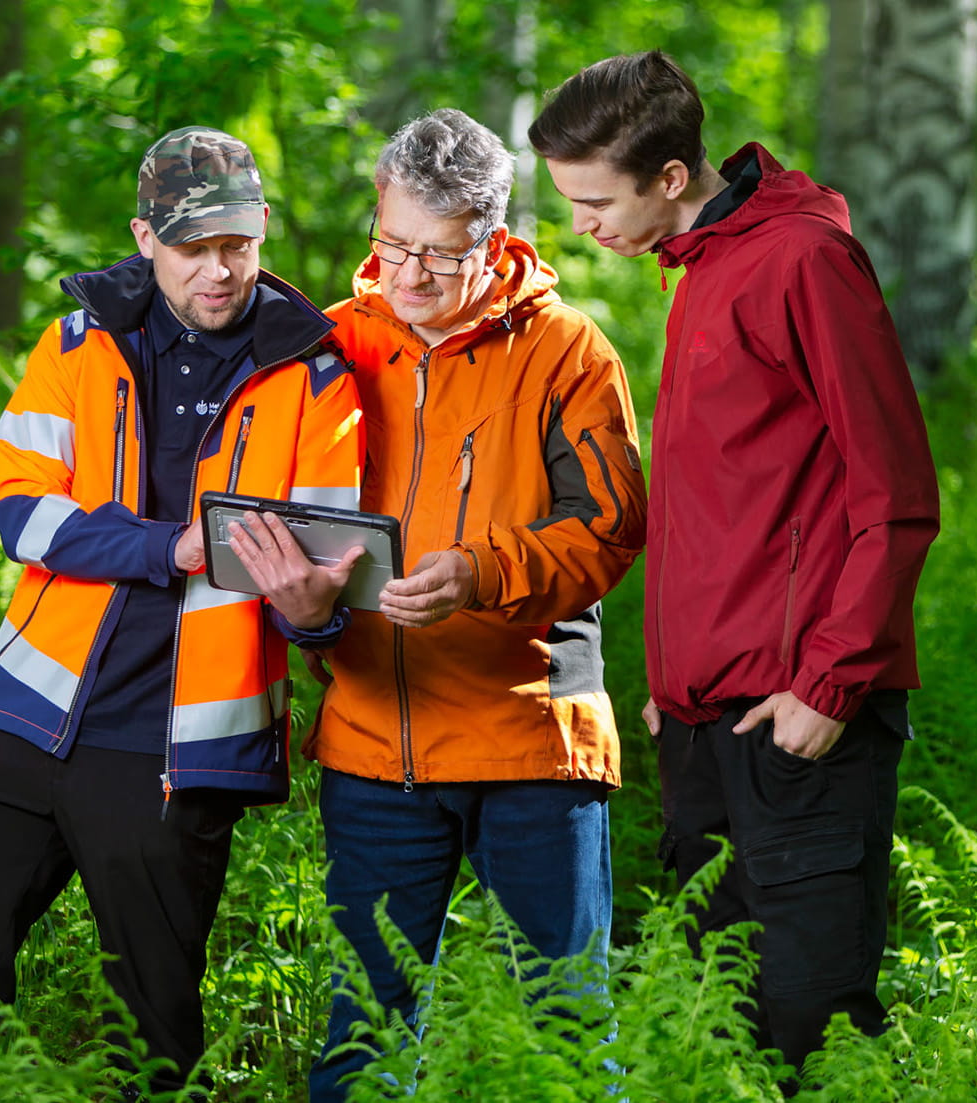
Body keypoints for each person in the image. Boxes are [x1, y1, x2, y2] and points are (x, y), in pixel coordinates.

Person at [0, 126, 364, 1100]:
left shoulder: (318, 375)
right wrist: (167, 548)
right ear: (146, 237)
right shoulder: (76, 338)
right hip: (24, 706)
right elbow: (21, 506)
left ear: (263, 227)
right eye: (194, 248)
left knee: (152, 1031)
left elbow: (325, 578)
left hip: (178, 739)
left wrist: (315, 613)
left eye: (237, 243)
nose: (221, 270)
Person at [529, 52, 941, 1074]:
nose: (581, 226)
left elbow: (894, 493)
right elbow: (732, 503)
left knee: (812, 1029)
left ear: (670, 177)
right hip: (711, 721)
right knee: (727, 1034)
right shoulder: (703, 266)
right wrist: (677, 687)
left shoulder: (801, 259)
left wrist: (831, 684)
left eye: (593, 201)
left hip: (800, 716)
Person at [303, 108, 646, 1100]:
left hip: (534, 740)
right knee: (361, 1041)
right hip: (375, 741)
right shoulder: (328, 344)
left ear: (493, 242)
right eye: (392, 245)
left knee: (570, 1034)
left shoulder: (570, 352)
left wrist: (479, 572)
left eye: (438, 256)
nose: (407, 275)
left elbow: (611, 528)